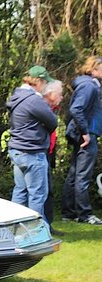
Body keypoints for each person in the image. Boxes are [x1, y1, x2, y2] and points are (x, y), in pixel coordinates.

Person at [6, 65, 58, 223]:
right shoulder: (34, 99)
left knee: (20, 193)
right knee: (37, 194)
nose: (46, 87)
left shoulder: (17, 96)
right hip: (32, 152)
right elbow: (53, 121)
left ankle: (14, 230)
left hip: (18, 150)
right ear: (39, 81)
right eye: (45, 83)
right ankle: (35, 233)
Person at [62, 55, 102, 225]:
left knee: (74, 174)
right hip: (87, 135)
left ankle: (69, 213)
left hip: (83, 133)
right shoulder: (89, 86)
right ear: (93, 69)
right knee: (82, 176)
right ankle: (85, 214)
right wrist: (86, 132)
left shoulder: (87, 85)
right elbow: (76, 109)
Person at [43, 79, 64, 233]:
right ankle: (43, 226)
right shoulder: (42, 108)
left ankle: (48, 224)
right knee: (42, 191)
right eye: (59, 94)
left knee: (48, 190)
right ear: (50, 94)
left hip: (48, 153)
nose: (62, 97)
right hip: (40, 152)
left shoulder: (51, 109)